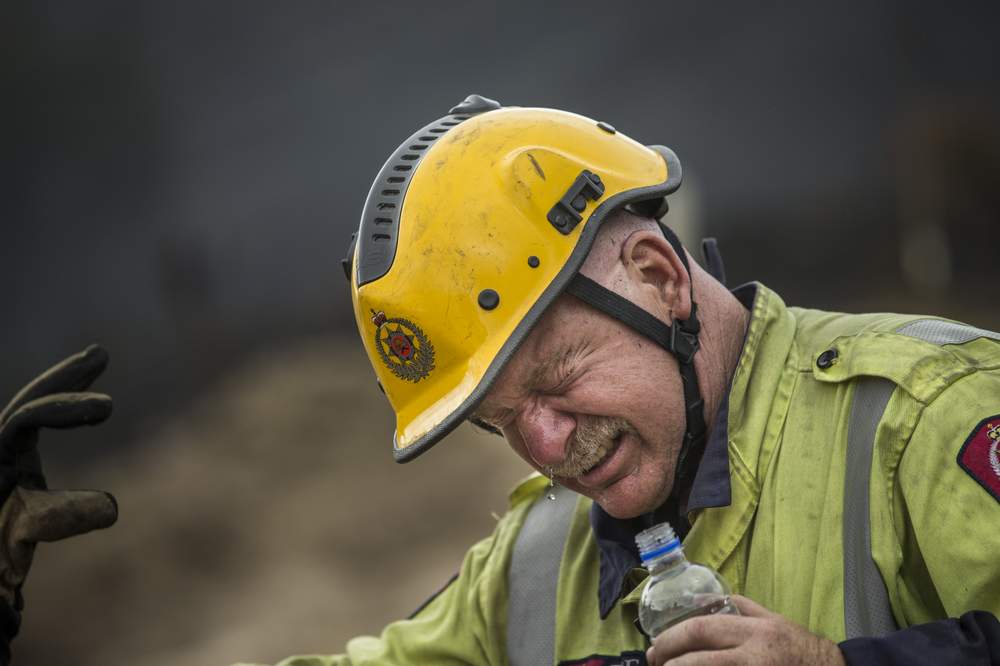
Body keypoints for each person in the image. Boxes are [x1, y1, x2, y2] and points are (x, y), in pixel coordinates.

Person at [2, 95, 999, 665]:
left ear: (655, 277)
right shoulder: (533, 566)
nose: (548, 447)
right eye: (500, 421)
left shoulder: (920, 417)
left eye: (556, 380)